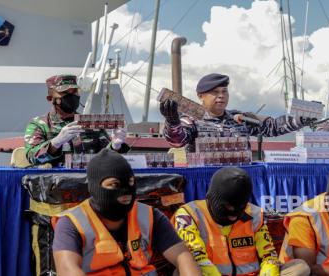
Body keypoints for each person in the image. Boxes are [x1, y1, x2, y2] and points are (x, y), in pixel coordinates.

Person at [52, 149, 201, 275]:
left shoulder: (149, 216)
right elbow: (67, 270)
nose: (125, 191)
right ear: (95, 187)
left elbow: (183, 256)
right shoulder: (71, 223)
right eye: (114, 184)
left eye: (130, 182)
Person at [172, 167, 310, 276]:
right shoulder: (189, 215)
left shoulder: (254, 214)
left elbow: (269, 256)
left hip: (252, 274)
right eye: (227, 207)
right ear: (212, 199)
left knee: (299, 267)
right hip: (209, 273)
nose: (233, 216)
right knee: (183, 271)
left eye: (240, 208)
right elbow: (198, 257)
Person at [161, 73, 315, 152]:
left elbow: (273, 127)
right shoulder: (190, 120)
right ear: (200, 96)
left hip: (240, 179)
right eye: (215, 92)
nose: (221, 95)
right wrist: (173, 121)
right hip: (208, 182)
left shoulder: (239, 118)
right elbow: (177, 141)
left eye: (224, 91)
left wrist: (305, 116)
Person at [24, 74, 129, 167]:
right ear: (51, 98)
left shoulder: (91, 123)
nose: (71, 96)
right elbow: (32, 158)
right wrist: (55, 143)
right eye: (65, 92)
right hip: (54, 183)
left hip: (87, 182)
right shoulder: (39, 124)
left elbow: (106, 160)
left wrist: (115, 146)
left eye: (74, 91)